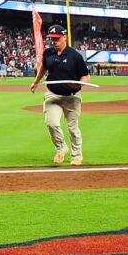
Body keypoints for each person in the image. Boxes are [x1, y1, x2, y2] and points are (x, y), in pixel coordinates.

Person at [30, 24, 89, 165]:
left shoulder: (75, 56)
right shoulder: (48, 53)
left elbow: (86, 76)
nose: (54, 42)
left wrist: (79, 84)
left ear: (65, 37)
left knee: (73, 128)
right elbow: (43, 68)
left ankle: (77, 155)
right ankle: (61, 148)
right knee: (51, 123)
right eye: (52, 39)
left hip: (72, 96)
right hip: (53, 94)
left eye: (57, 39)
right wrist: (36, 82)